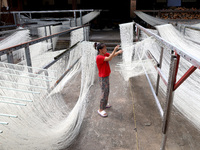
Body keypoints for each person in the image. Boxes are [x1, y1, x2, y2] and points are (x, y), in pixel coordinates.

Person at [94, 42, 123, 117]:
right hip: (103, 78)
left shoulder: (104, 54)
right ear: (100, 50)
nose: (106, 49)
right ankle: (100, 109)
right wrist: (115, 50)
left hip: (106, 76)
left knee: (107, 91)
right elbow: (109, 59)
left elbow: (111, 55)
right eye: (105, 48)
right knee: (104, 93)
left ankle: (105, 104)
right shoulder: (99, 57)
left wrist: (118, 52)